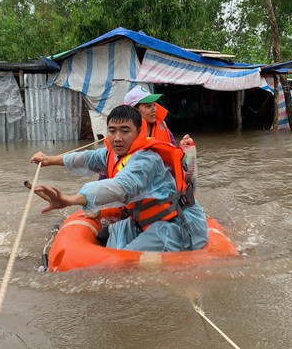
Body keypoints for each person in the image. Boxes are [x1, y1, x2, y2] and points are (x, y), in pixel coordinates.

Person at [30, 105, 208, 252]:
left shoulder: (147, 160)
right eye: (112, 131)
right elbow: (86, 158)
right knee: (108, 242)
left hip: (175, 225)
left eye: (125, 131)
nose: (117, 138)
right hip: (144, 221)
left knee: (118, 266)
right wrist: (49, 160)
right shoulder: (112, 154)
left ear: (139, 131)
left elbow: (121, 187)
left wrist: (70, 200)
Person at [124, 86, 195, 147]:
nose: (154, 109)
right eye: (148, 106)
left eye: (154, 105)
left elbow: (174, 155)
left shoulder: (163, 128)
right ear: (134, 110)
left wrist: (183, 147)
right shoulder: (122, 134)